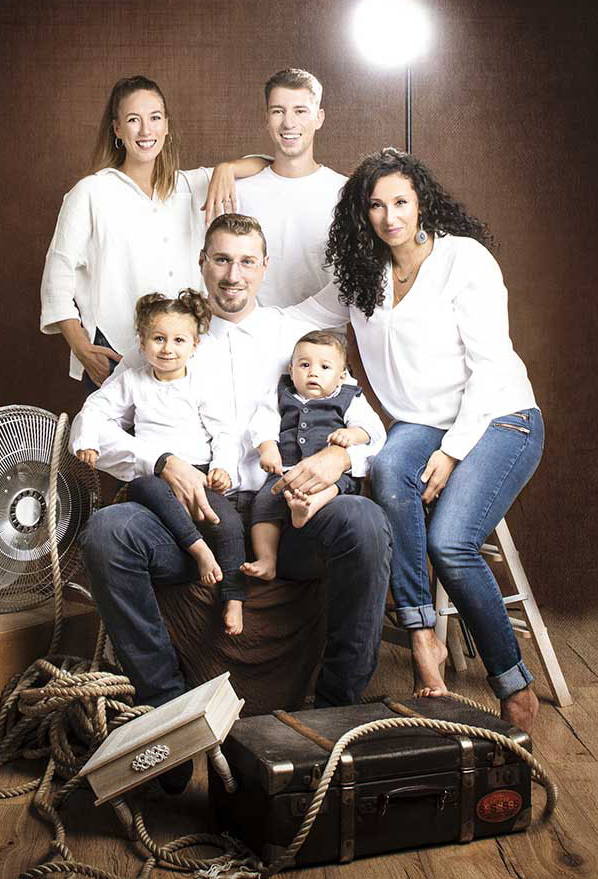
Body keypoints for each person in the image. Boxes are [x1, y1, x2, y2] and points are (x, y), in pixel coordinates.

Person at [77, 215, 392, 780]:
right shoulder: (164, 337)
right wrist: (160, 462)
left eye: (247, 261)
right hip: (191, 517)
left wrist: (341, 457)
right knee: (107, 532)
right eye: (221, 259)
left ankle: (335, 713)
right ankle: (169, 715)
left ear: (263, 268)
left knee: (365, 523)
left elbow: (369, 425)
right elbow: (93, 423)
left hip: (289, 512)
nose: (233, 274)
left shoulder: (290, 335)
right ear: (202, 263)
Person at [288, 148, 545, 731]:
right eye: (375, 205)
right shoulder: (362, 271)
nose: (390, 216)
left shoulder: (465, 261)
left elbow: (489, 368)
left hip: (501, 417)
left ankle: (512, 680)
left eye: (400, 201)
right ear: (362, 214)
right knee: (386, 472)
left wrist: (452, 452)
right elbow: (299, 316)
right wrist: (223, 314)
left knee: (452, 543)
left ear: (421, 200)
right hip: (422, 423)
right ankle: (423, 637)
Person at [39, 75, 268, 385]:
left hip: (183, 354)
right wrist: (80, 347)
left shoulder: (189, 185)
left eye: (155, 118)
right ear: (117, 129)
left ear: (167, 125)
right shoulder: (92, 192)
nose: (146, 130)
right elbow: (58, 275)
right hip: (116, 351)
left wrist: (227, 168)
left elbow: (267, 163)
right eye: (134, 120)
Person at [72, 290, 248, 636]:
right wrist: (88, 441)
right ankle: (199, 551)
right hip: (155, 478)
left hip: (198, 473)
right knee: (146, 487)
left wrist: (222, 466)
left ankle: (234, 596)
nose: (168, 348)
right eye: (158, 339)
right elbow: (94, 409)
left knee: (227, 521)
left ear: (194, 345)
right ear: (142, 342)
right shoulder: (133, 381)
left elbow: (224, 431)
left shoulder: (201, 384)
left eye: (178, 340)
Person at [242, 330, 385, 582]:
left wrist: (351, 434)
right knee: (264, 504)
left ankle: (307, 509)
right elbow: (262, 424)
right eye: (304, 365)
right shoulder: (281, 394)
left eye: (324, 367)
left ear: (341, 375)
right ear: (291, 368)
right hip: (285, 472)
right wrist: (268, 448)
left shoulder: (349, 398)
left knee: (337, 486)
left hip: (329, 476)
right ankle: (267, 559)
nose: (313, 372)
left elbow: (372, 430)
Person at [235, 69, 347, 308]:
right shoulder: (239, 192)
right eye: (278, 111)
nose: (288, 123)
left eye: (300, 111)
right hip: (257, 337)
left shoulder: (345, 193)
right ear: (267, 119)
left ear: (319, 118)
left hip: (327, 339)